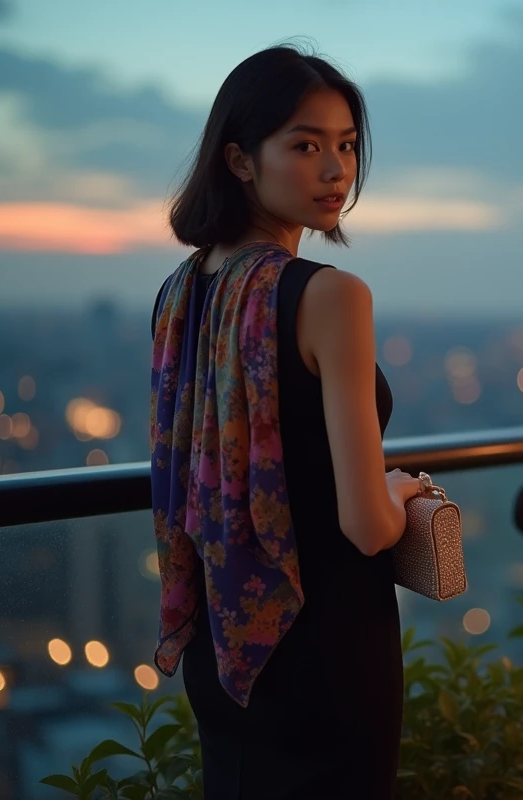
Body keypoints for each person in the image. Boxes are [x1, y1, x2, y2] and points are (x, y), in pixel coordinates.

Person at [148, 44, 422, 799]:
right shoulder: (332, 296)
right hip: (329, 646)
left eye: (346, 147)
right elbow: (367, 525)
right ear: (240, 160)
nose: (336, 172)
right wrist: (399, 491)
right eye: (305, 146)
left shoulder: (180, 293)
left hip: (225, 638)